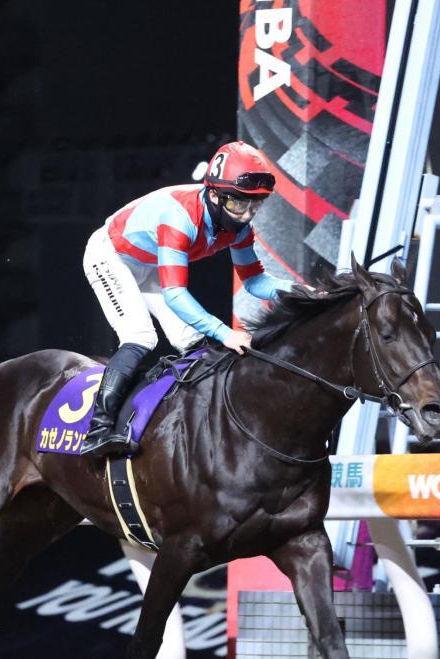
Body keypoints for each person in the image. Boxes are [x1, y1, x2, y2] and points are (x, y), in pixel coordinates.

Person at [80, 140, 296, 459]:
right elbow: (176, 295)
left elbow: (255, 282)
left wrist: (303, 290)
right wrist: (225, 332)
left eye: (256, 204)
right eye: (239, 204)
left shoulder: (238, 228)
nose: (247, 214)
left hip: (149, 261)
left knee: (194, 343)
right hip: (110, 256)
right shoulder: (179, 218)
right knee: (140, 336)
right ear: (214, 194)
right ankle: (97, 430)